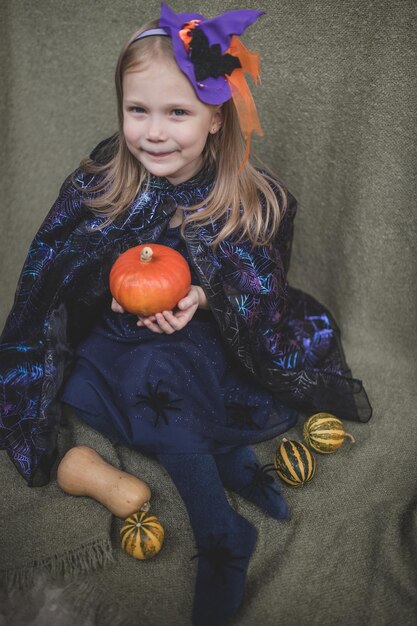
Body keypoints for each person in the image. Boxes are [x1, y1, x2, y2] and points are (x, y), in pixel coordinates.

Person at [0, 3, 372, 625]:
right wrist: (108, 293)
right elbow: (57, 273)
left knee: (163, 376)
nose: (154, 131)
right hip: (117, 335)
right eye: (137, 110)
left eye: (178, 112)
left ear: (215, 117)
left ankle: (220, 530)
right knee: (89, 388)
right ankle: (226, 462)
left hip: (206, 343)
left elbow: (258, 288)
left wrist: (202, 297)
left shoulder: (246, 197)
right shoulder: (103, 180)